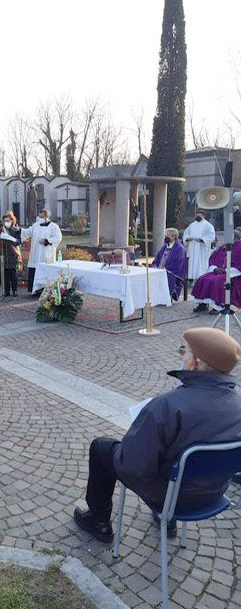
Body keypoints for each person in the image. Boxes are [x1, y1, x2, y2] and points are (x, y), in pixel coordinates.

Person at [73, 327, 241, 543]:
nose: (184, 357)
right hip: (214, 492)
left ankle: (98, 520)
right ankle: (168, 519)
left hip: (172, 495)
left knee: (101, 447)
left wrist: (129, 443)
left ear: (195, 362)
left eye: (185, 352)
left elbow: (132, 467)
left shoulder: (168, 405)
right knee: (175, 455)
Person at [192, 228, 241, 313]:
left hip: (233, 274)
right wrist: (215, 268)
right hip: (217, 271)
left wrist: (226, 270)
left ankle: (219, 306)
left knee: (216, 281)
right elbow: (213, 258)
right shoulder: (223, 247)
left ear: (236, 238)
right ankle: (203, 304)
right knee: (202, 279)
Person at [22, 208, 62, 293]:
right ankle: (35, 290)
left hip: (46, 254)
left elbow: (58, 238)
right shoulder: (35, 225)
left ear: (47, 217)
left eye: (41, 217)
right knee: (34, 271)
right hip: (35, 254)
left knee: (46, 272)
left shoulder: (53, 227)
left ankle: (46, 291)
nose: (39, 218)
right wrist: (18, 230)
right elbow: (26, 233)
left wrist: (47, 241)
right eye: (39, 216)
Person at [151, 228, 187, 301]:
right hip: (160, 269)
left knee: (167, 277)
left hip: (172, 271)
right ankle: (155, 297)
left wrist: (166, 269)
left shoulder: (179, 248)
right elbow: (158, 257)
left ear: (174, 237)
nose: (165, 237)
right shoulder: (165, 246)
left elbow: (179, 262)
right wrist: (154, 265)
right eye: (165, 235)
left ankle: (165, 298)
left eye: (168, 235)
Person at [183, 209, 215, 281]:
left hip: (201, 248)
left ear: (203, 216)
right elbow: (186, 233)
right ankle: (190, 278)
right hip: (192, 247)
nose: (197, 216)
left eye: (199, 215)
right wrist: (187, 238)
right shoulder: (192, 225)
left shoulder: (208, 225)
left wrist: (202, 239)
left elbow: (211, 235)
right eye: (197, 215)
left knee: (200, 263)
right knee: (191, 262)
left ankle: (200, 278)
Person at [0, 211, 22, 297]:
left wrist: (13, 240)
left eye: (8, 221)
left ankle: (14, 290)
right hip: (3, 254)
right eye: (5, 221)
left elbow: (19, 241)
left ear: (12, 221)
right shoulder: (1, 229)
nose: (6, 222)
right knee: (5, 274)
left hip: (12, 254)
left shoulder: (15, 229)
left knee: (13, 274)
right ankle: (6, 291)